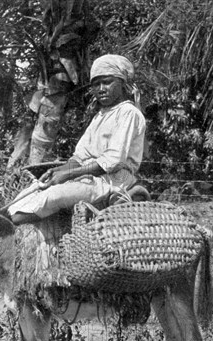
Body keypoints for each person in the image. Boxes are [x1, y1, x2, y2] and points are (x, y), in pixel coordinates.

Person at [8, 54, 146, 224]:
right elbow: (80, 156)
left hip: (112, 182)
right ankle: (5, 217)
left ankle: (6, 224)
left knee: (53, 196)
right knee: (34, 189)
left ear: (122, 83)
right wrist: (58, 172)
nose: (101, 89)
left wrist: (69, 174)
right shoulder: (100, 116)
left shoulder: (128, 113)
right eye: (96, 84)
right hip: (91, 177)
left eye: (107, 82)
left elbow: (112, 161)